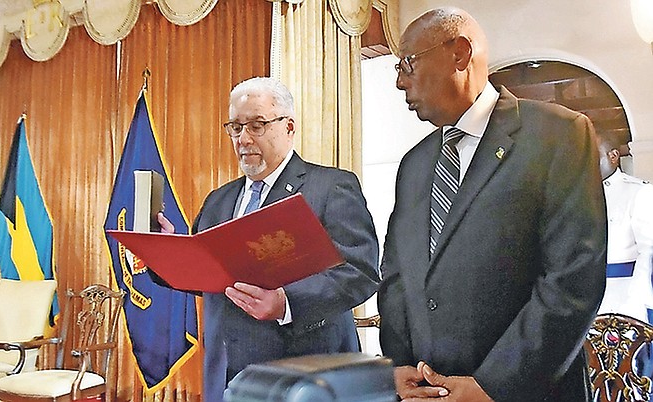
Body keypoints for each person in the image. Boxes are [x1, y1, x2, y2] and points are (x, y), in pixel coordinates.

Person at [377, 7, 606, 402]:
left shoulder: (558, 135)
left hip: (525, 390)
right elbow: (397, 275)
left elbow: (571, 281)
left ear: (460, 54)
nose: (399, 82)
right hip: (427, 391)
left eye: (407, 65)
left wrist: (494, 386)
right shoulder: (413, 164)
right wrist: (399, 367)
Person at [159, 77, 379, 401]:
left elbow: (360, 272)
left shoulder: (331, 187)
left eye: (257, 125)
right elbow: (206, 274)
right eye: (235, 127)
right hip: (225, 375)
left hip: (305, 375)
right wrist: (167, 252)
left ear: (289, 127)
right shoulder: (218, 200)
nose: (243, 138)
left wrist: (286, 304)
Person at [596, 134, 653, 374]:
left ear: (613, 156)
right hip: (587, 300)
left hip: (626, 299)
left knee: (630, 373)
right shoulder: (577, 196)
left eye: (593, 156)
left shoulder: (638, 193)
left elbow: (649, 250)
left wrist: (637, 305)